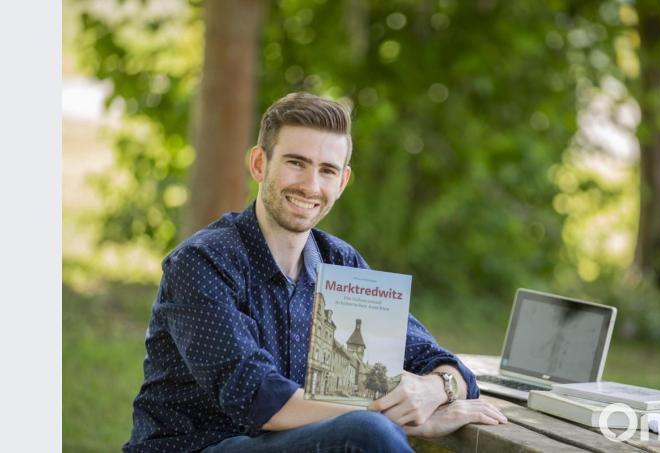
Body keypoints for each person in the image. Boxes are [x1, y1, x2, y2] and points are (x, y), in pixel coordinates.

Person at [123, 92, 506, 453]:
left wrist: (435, 391)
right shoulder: (202, 263)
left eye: (327, 170)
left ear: (342, 183)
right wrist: (402, 420)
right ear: (259, 164)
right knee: (366, 434)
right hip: (200, 446)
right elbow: (260, 399)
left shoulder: (340, 263)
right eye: (296, 163)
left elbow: (430, 355)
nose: (310, 185)